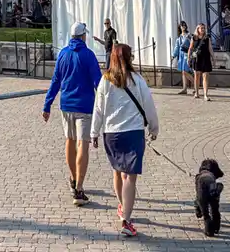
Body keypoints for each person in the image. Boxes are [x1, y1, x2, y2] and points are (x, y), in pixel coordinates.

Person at [91, 44, 159, 237]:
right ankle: (126, 220)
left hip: (112, 133)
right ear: (129, 59)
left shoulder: (105, 80)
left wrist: (94, 133)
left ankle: (122, 207)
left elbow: (98, 108)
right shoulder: (137, 80)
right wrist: (154, 128)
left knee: (118, 172)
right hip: (133, 132)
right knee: (130, 177)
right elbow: (149, 107)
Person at [43, 22, 103, 207]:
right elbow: (98, 83)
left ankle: (73, 178)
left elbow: (55, 81)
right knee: (82, 144)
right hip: (84, 106)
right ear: (83, 36)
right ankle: (79, 188)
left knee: (69, 141)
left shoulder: (63, 53)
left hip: (66, 105)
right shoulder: (88, 55)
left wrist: (47, 104)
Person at [187, 24, 214, 101]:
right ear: (197, 29)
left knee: (205, 76)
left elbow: (210, 48)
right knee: (197, 76)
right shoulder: (194, 38)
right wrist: (188, 58)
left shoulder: (207, 38)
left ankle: (205, 95)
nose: (203, 29)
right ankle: (197, 93)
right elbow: (190, 48)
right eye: (201, 28)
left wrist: (213, 57)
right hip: (197, 59)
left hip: (206, 59)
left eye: (204, 28)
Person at [172, 21, 194, 96]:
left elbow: (192, 45)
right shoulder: (179, 37)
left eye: (184, 25)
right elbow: (177, 47)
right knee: (183, 72)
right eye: (182, 25)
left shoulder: (189, 35)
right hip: (181, 56)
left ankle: (195, 85)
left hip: (186, 55)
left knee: (185, 71)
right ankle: (185, 88)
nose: (183, 26)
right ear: (180, 27)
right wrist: (173, 56)